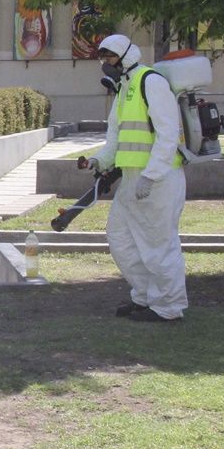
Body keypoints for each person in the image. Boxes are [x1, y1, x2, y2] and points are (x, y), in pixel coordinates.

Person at [81, 34, 187, 322]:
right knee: (121, 238)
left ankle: (168, 307)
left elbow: (167, 134)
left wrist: (150, 176)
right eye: (103, 59)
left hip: (159, 180)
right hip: (131, 179)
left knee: (159, 244)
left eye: (110, 57)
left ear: (126, 56)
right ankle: (145, 297)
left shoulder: (150, 81)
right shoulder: (124, 87)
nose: (106, 64)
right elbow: (115, 137)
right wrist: (99, 160)